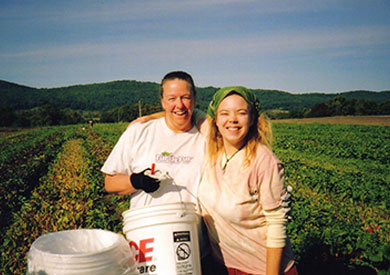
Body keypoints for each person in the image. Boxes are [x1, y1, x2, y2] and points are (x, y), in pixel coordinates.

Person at [100, 71, 213, 272]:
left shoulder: (205, 136)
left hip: (193, 245)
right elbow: (110, 183)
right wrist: (136, 181)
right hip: (148, 243)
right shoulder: (140, 131)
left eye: (185, 98)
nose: (179, 105)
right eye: (171, 99)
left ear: (194, 99)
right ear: (162, 102)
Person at [197, 86, 297, 275]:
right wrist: (143, 120)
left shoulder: (263, 161)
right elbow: (183, 110)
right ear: (215, 120)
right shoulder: (212, 150)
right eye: (224, 113)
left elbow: (276, 222)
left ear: (252, 119)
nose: (232, 120)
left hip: (262, 268)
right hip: (223, 265)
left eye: (241, 113)